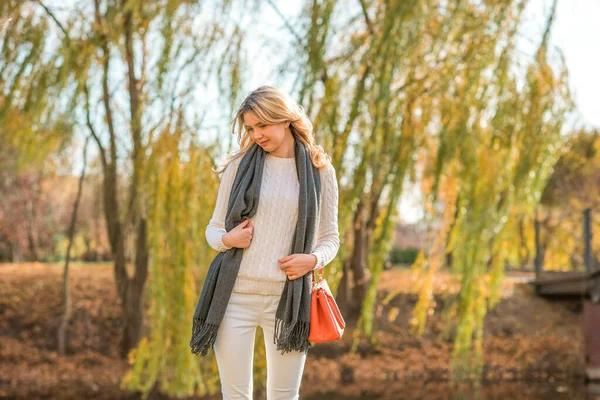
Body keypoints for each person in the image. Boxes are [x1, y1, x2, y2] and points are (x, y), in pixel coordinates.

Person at [204, 85, 340, 399]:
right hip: (235, 297)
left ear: (286, 120)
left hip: (288, 300)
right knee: (235, 395)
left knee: (284, 396)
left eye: (263, 125)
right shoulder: (238, 168)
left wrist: (313, 260)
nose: (256, 135)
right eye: (250, 128)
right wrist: (228, 239)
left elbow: (329, 238)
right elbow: (212, 230)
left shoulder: (320, 171)